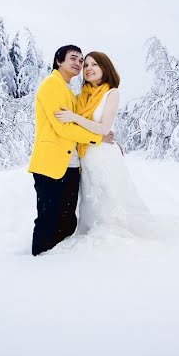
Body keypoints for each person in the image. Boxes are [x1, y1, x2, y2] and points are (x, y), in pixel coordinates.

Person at [27, 45, 113, 256]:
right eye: (73, 58)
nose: (79, 63)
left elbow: (82, 120)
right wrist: (97, 138)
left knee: (67, 221)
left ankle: (58, 263)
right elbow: (63, 128)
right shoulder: (51, 85)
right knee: (48, 220)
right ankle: (37, 264)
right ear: (59, 61)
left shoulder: (68, 91)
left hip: (72, 165)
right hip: (50, 165)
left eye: (81, 60)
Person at [56, 51, 152, 236]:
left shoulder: (111, 93)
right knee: (92, 203)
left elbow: (103, 129)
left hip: (103, 156)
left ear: (104, 67)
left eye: (95, 64)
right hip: (86, 156)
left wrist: (74, 117)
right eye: (86, 65)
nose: (89, 69)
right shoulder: (82, 96)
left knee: (110, 199)